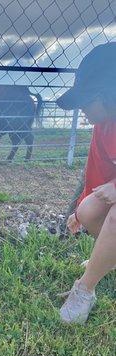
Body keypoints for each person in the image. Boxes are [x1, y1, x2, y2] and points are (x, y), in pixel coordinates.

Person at [56, 42, 116, 324]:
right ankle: (104, 261)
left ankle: (85, 289)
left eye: (85, 101)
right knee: (89, 211)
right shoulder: (103, 127)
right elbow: (97, 176)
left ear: (108, 95)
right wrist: (78, 209)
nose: (81, 110)